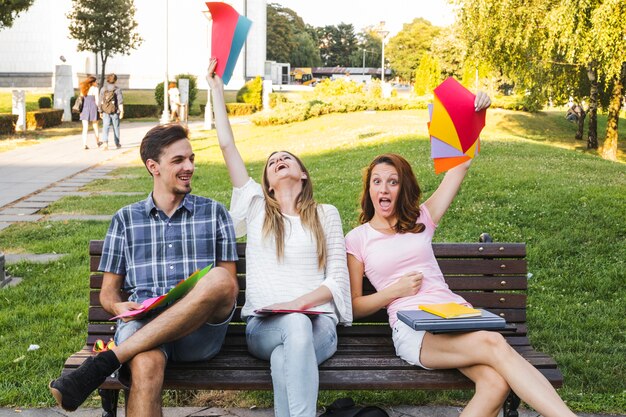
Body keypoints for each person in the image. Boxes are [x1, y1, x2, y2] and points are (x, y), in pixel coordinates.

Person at [346, 95, 578, 417]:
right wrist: (393, 292)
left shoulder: (421, 220)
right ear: (369, 190)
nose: (384, 188)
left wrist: (475, 113)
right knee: (494, 344)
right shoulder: (358, 239)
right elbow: (354, 305)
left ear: (403, 188)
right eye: (377, 181)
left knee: (496, 384)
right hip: (415, 328)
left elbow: (461, 165)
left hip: (456, 315)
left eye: (393, 181)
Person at [49, 123, 239, 416]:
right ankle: (118, 356)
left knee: (219, 278)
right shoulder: (125, 219)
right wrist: (119, 304)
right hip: (143, 323)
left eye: (191, 158)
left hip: (199, 334)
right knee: (146, 364)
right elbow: (108, 293)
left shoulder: (215, 212)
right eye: (178, 160)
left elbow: (228, 289)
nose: (189, 166)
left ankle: (107, 361)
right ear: (153, 166)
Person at [207, 57, 352, 417]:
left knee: (286, 353)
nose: (280, 160)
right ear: (268, 183)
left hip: (319, 326)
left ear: (303, 174)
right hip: (262, 327)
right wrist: (215, 89)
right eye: (273, 161)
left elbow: (336, 280)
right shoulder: (256, 208)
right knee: (290, 331)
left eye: (288, 158)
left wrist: (298, 304)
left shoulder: (326, 214)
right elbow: (227, 147)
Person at [99, 73, 124, 150]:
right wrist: (122, 111)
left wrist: (100, 111)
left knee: (105, 127)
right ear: (115, 80)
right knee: (116, 127)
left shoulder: (103, 89)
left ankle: (105, 143)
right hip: (115, 111)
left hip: (105, 111)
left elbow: (100, 101)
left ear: (107, 79)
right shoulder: (117, 89)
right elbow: (120, 102)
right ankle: (117, 143)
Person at [79, 76, 101, 150]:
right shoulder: (95, 89)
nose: (96, 83)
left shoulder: (83, 89)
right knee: (95, 126)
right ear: (92, 82)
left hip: (85, 108)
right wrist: (100, 109)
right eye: (95, 82)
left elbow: (81, 99)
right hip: (93, 108)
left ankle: (84, 144)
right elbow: (97, 101)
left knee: (85, 128)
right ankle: (98, 142)